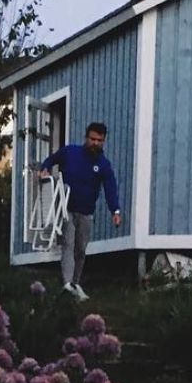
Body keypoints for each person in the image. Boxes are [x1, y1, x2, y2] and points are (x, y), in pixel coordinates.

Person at [38, 121, 122, 300]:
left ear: (103, 141)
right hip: (66, 207)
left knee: (81, 249)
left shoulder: (103, 165)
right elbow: (52, 159)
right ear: (86, 138)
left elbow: (110, 188)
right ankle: (67, 283)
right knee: (67, 243)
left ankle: (75, 284)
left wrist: (115, 211)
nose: (95, 143)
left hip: (86, 212)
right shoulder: (70, 152)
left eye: (99, 140)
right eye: (92, 139)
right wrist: (44, 168)